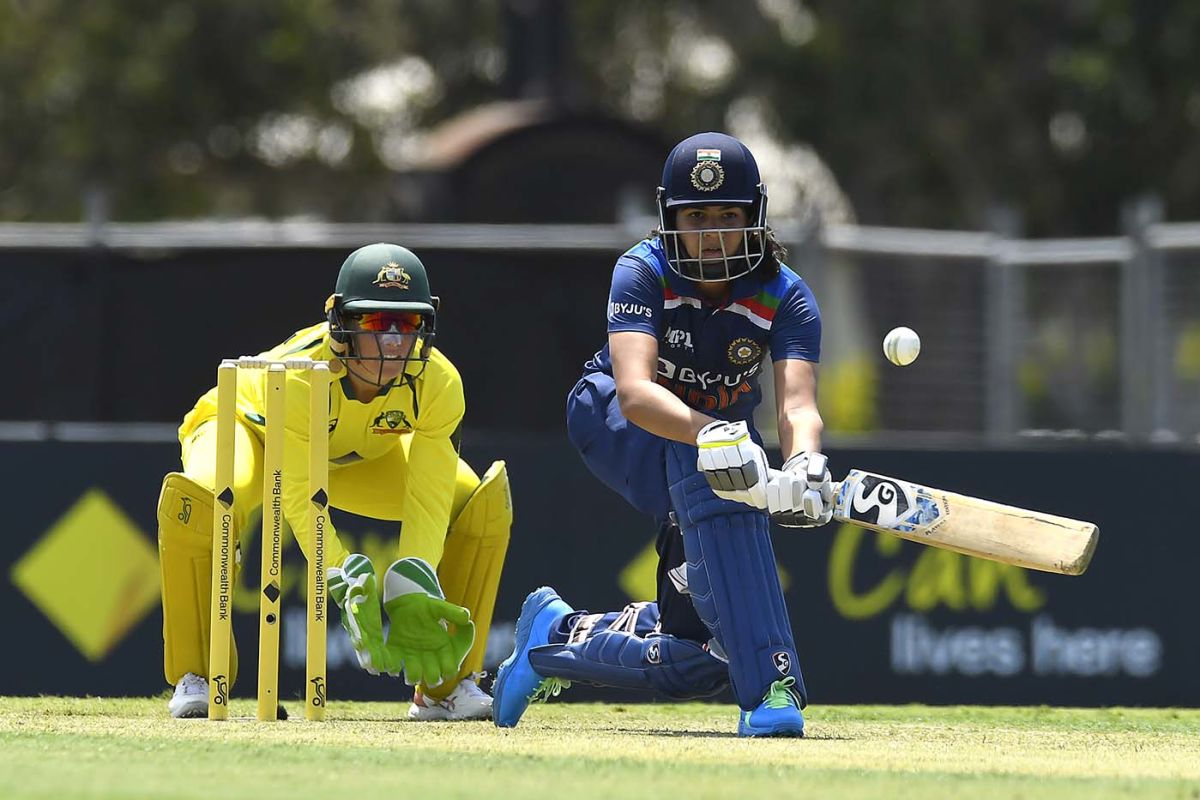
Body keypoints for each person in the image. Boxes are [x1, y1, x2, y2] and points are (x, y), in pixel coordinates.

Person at [492, 132, 830, 737]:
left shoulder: (786, 295)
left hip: (712, 441)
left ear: (754, 219)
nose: (710, 234)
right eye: (695, 217)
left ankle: (552, 636)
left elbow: (798, 404)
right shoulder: (642, 270)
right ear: (669, 218)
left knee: (697, 654)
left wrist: (804, 464)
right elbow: (636, 392)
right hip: (615, 420)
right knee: (714, 472)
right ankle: (773, 688)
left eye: (727, 217)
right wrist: (722, 439)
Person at [156, 242, 511, 721]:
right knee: (206, 496)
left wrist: (413, 584)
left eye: (404, 325)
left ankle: (445, 688)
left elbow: (430, 495)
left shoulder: (439, 383)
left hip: (354, 459)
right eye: (374, 323)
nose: (391, 343)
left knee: (477, 504)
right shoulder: (306, 374)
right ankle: (197, 675)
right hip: (249, 430)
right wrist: (341, 573)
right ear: (342, 324)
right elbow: (300, 493)